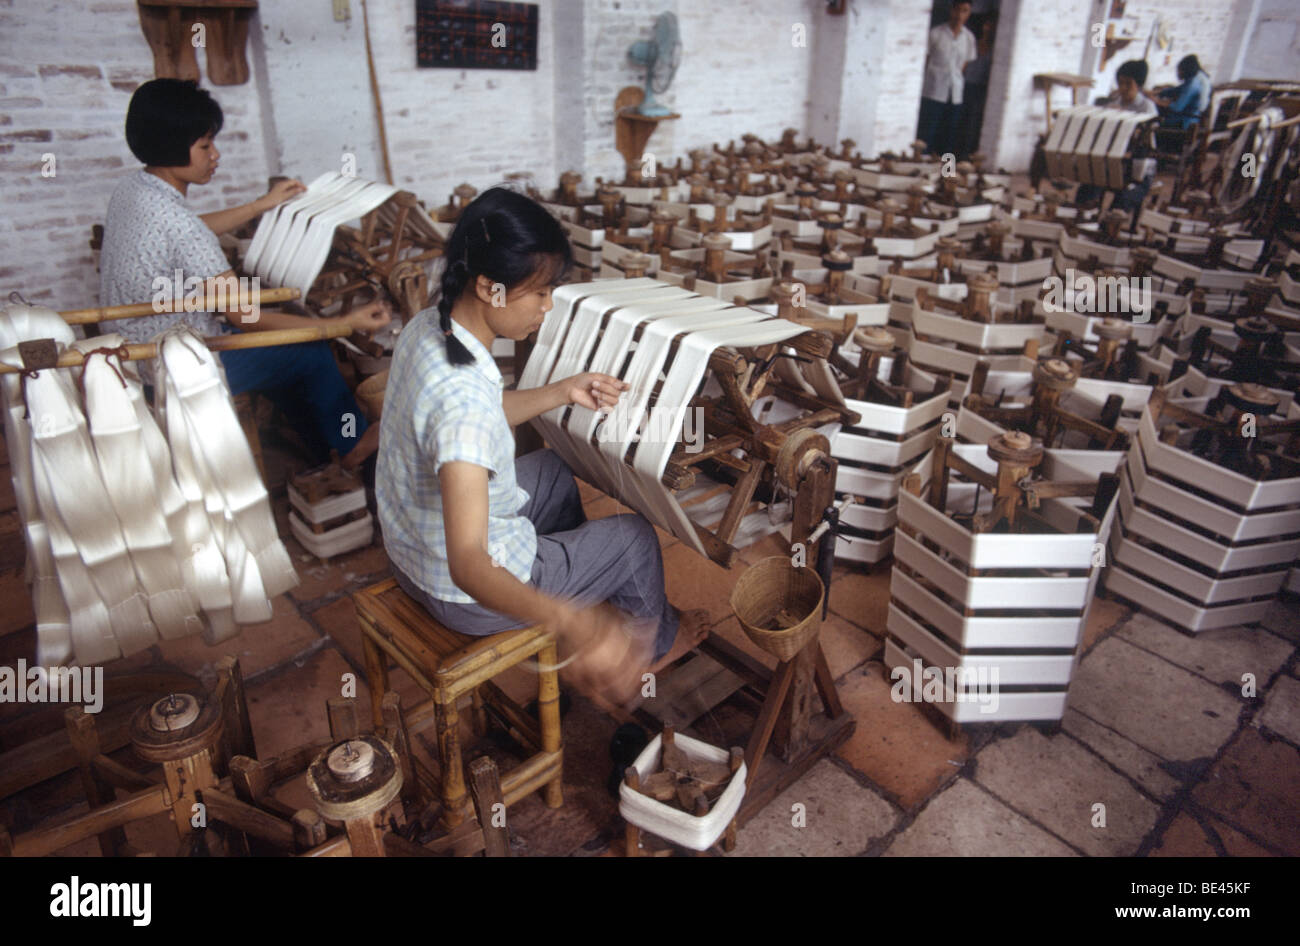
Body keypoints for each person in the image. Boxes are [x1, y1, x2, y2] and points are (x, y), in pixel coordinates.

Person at [375, 188, 710, 705]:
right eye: (541, 293)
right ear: (491, 289)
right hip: (456, 589)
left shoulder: (431, 328)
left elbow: (474, 422)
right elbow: (469, 562)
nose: (548, 308)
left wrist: (561, 391)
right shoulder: (460, 400)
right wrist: (571, 623)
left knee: (552, 472)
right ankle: (654, 645)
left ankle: (578, 584)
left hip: (409, 550)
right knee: (633, 538)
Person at [99, 78, 391, 471]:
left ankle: (324, 456)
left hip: (136, 354)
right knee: (311, 350)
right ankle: (356, 452)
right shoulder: (180, 226)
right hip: (178, 369)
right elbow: (245, 317)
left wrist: (262, 205)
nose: (215, 155)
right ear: (171, 145)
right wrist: (342, 323)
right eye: (204, 146)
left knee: (289, 354)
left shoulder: (134, 190)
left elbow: (191, 226)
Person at [1074, 60, 1158, 212]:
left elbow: (1146, 142)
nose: (1123, 88)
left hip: (1137, 166)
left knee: (1123, 201)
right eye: (1120, 83)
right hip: (1112, 161)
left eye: (1128, 84)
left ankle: (1109, 228)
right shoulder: (1113, 104)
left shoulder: (1147, 108)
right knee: (1087, 188)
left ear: (1138, 85)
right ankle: (1081, 219)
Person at [917, 0, 977, 158]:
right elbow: (925, 60)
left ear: (969, 14)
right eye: (957, 10)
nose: (959, 15)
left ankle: (946, 174)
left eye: (964, 11)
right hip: (933, 92)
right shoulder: (936, 33)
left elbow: (963, 65)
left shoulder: (969, 38)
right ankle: (922, 172)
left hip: (955, 93)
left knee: (949, 137)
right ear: (951, 11)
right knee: (927, 135)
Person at [1145, 54, 1210, 130]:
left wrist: (1156, 100)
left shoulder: (1192, 85)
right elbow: (1174, 91)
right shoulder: (1192, 81)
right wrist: (1155, 93)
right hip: (1188, 120)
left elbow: (1177, 107)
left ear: (1185, 70)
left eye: (1179, 70)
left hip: (1183, 124)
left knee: (1152, 121)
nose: (1177, 73)